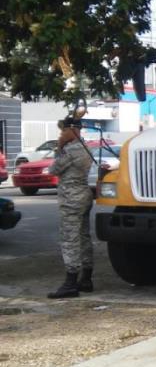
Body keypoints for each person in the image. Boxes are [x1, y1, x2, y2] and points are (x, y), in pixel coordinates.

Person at [47, 121, 95, 298]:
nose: (61, 133)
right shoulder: (86, 148)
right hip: (84, 193)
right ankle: (87, 278)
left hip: (71, 198)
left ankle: (70, 283)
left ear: (73, 130)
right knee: (84, 236)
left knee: (70, 239)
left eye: (64, 130)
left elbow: (53, 169)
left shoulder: (70, 150)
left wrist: (59, 147)